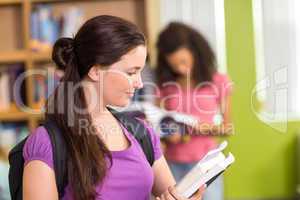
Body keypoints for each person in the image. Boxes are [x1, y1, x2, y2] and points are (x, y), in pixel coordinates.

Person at [22, 15, 204, 200]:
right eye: (131, 72)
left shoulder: (142, 133)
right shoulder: (47, 143)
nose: (139, 83)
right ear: (96, 70)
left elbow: (172, 193)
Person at [155, 22, 233, 200]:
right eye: (174, 65)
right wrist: (167, 134)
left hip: (207, 165)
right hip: (173, 165)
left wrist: (193, 127)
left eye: (183, 61)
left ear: (196, 52)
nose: (180, 69)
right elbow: (155, 123)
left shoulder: (218, 81)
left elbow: (227, 128)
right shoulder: (164, 85)